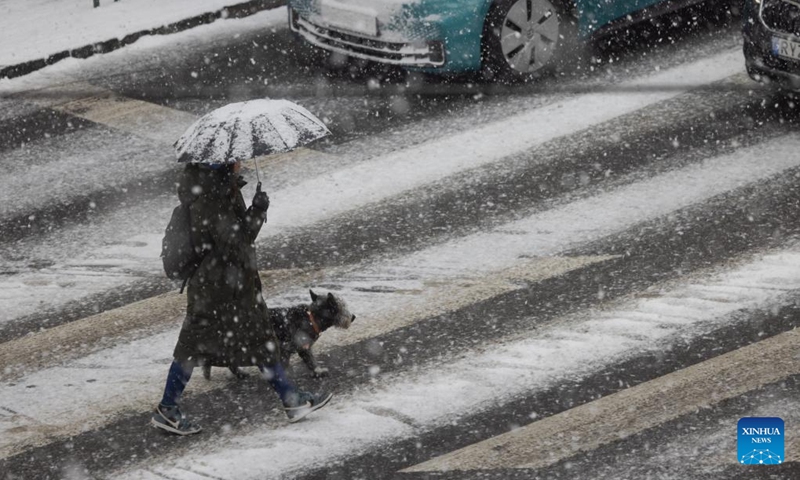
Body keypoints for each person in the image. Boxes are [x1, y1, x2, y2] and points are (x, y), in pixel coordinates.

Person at [152, 161, 332, 435]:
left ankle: (291, 400)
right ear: (221, 162)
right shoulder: (210, 195)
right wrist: (257, 211)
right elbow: (234, 243)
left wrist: (252, 211)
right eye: (235, 157)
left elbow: (235, 240)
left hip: (233, 286)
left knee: (261, 341)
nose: (241, 161)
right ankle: (167, 409)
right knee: (192, 347)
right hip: (217, 290)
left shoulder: (219, 188)